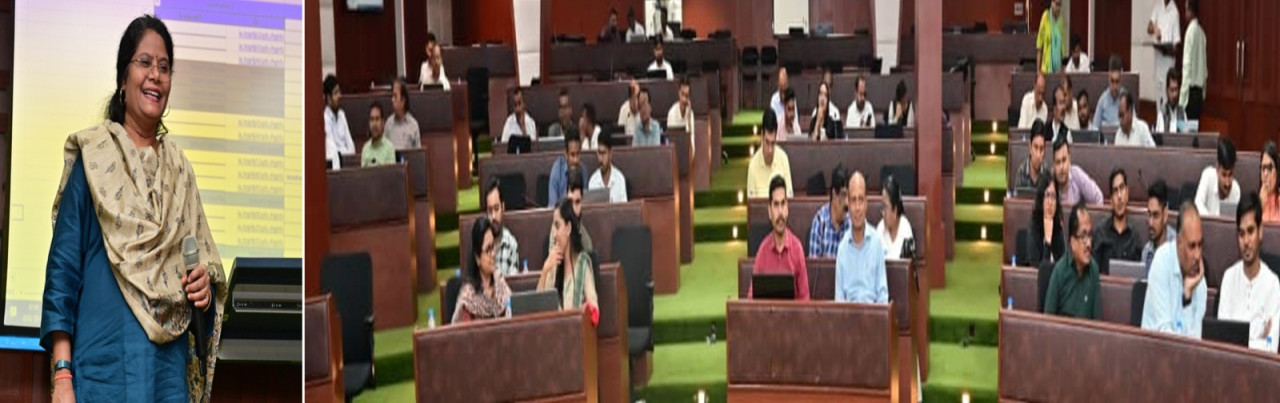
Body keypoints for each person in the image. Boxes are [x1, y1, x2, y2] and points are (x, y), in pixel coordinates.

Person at [43, 15, 224, 402]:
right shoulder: (93, 159)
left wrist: (204, 291)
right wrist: (62, 374)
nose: (155, 75)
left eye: (164, 67)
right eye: (144, 62)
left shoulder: (180, 171)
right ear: (123, 79)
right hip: (102, 373)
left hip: (166, 379)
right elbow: (62, 272)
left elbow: (203, 282)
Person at [1219, 193, 1280, 351]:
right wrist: (1258, 340)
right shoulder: (1229, 278)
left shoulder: (1273, 285)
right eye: (1241, 234)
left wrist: (1239, 341)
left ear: (1260, 232)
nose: (1246, 241)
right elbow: (1222, 342)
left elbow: (1271, 347)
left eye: (1251, 231)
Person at [1142, 202, 1207, 339]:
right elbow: (1166, 339)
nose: (1197, 255)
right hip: (1152, 350)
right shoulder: (1161, 261)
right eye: (1192, 246)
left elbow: (1196, 342)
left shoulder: (1200, 283)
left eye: (1200, 245)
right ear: (1179, 243)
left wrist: (1187, 296)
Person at [751, 176, 810, 300]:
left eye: (783, 204)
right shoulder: (763, 251)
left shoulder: (797, 249)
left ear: (787, 208)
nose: (780, 212)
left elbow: (805, 299)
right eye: (776, 205)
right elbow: (752, 299)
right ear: (769, 211)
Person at [835, 171, 888, 303]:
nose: (857, 208)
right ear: (848, 203)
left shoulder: (876, 243)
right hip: (848, 314)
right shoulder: (842, 248)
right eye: (853, 200)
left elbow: (883, 296)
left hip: (873, 313)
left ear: (866, 203)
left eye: (861, 200)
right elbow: (839, 298)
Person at [538, 199, 599, 313]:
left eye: (557, 226)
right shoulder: (552, 264)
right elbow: (538, 309)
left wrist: (585, 310)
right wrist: (545, 270)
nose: (554, 234)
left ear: (568, 228)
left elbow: (594, 308)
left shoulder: (582, 264)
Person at [1045, 204, 1102, 319]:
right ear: (1072, 242)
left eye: (1090, 235)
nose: (1089, 244)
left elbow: (1097, 322)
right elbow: (1048, 322)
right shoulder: (1059, 272)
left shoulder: (1094, 270)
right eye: (1083, 236)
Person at [453, 217, 513, 323]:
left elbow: (512, 315)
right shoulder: (468, 297)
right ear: (478, 258)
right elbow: (464, 331)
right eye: (488, 249)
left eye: (493, 247)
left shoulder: (500, 283)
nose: (493, 254)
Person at [1092, 168, 1144, 268]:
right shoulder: (1100, 233)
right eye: (1115, 191)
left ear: (1127, 193)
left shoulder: (1135, 237)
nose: (1119, 196)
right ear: (1111, 200)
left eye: (1122, 188)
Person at [746, 110, 792, 198]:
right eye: (767, 142)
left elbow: (789, 197)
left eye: (773, 143)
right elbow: (752, 203)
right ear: (761, 136)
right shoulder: (753, 165)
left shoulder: (783, 159)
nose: (770, 150)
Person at [547, 168, 594, 254]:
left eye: (577, 202)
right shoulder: (556, 229)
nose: (574, 208)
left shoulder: (586, 244)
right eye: (571, 201)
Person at [809, 165, 851, 258]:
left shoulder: (851, 223)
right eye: (844, 195)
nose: (847, 202)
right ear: (834, 194)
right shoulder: (819, 222)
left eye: (849, 196)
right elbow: (815, 265)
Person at [1194, 138, 1240, 216]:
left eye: (1230, 175)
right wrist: (1213, 221)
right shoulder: (1208, 176)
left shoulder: (1236, 191)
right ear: (1217, 168)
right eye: (1224, 175)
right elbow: (1197, 205)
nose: (1227, 183)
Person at [484, 178, 522, 276]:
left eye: (496, 209)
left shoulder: (511, 244)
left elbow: (513, 282)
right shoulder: (481, 243)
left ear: (503, 207)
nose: (493, 216)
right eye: (490, 211)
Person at [1052, 136, 1104, 206]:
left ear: (1069, 160)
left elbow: (1098, 197)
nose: (1062, 167)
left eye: (1064, 160)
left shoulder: (1076, 175)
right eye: (1058, 162)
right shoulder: (1049, 182)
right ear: (1054, 165)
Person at [1148, 0, 1181, 102]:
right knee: (1158, 93)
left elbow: (1176, 45)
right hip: (1158, 61)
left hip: (1168, 62)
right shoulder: (1158, 6)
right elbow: (1149, 28)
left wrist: (1166, 50)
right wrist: (1154, 29)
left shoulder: (1175, 12)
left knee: (1167, 95)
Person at [1029, 178, 1066, 267]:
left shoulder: (1058, 227)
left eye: (1053, 197)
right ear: (1041, 199)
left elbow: (1064, 266)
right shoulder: (1034, 228)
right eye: (1047, 195)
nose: (1050, 202)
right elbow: (1039, 270)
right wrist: (1048, 241)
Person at [877, 175, 915, 259]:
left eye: (885, 207)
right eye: (882, 207)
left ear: (895, 210)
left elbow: (909, 266)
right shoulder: (880, 229)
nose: (883, 213)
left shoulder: (906, 230)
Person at [1143, 180, 1177, 273]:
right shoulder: (1146, 252)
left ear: (1165, 215)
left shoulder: (1177, 249)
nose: (1150, 223)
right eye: (1149, 215)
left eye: (1155, 216)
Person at [1180, 0, 1206, 118]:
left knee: (1186, 128)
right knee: (1195, 127)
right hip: (1199, 92)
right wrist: (1203, 92)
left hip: (1190, 93)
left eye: (1186, 10)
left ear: (1191, 11)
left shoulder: (1190, 32)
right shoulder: (1201, 32)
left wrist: (1182, 99)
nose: (1185, 13)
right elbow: (1204, 67)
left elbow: (1187, 65)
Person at [324, 74, 355, 167]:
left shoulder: (342, 115)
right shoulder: (325, 118)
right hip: (334, 166)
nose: (339, 96)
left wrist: (342, 152)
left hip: (348, 163)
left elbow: (352, 147)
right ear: (328, 98)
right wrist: (345, 151)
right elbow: (332, 153)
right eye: (336, 93)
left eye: (339, 92)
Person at [547, 133, 586, 207]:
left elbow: (585, 202)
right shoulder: (557, 170)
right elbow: (552, 205)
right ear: (566, 154)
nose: (576, 160)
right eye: (572, 155)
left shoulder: (583, 171)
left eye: (578, 154)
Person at [588, 132, 628, 203]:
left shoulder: (620, 179)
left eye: (603, 153)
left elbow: (624, 208)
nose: (600, 159)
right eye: (599, 153)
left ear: (610, 153)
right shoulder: (593, 181)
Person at [385, 78, 422, 149]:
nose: (392, 100)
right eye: (392, 96)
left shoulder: (413, 125)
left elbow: (418, 153)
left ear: (403, 100)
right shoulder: (388, 124)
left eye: (395, 96)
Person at [1015, 121, 1052, 192]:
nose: (1038, 155)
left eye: (1041, 149)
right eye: (1035, 147)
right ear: (1030, 147)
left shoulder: (1048, 173)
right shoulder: (1021, 172)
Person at [1093, 56, 1125, 129]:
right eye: (1112, 81)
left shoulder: (1127, 99)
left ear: (1121, 80)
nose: (1114, 87)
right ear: (1108, 79)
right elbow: (1095, 129)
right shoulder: (1102, 100)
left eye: (1117, 81)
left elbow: (1134, 127)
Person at [1036, 0, 1067, 74]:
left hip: (1058, 68)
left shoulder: (1061, 19)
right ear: (1052, 3)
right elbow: (1039, 46)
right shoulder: (1046, 17)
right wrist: (1038, 70)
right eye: (1056, 4)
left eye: (1060, 5)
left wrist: (1062, 68)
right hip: (1046, 67)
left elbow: (1062, 47)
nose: (1058, 8)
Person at [360, 103, 396, 167]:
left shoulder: (389, 148)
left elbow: (391, 172)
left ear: (382, 123)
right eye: (372, 119)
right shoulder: (365, 149)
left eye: (377, 119)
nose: (374, 124)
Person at [666, 78, 695, 152]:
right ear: (678, 93)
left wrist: (689, 120)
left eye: (687, 95)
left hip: (687, 152)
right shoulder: (671, 113)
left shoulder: (690, 113)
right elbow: (671, 143)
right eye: (682, 94)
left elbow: (692, 145)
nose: (684, 99)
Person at [1154, 68, 1187, 133]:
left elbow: (1187, 136)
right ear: (1167, 90)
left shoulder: (1182, 113)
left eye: (1176, 90)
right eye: (1172, 90)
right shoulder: (1162, 114)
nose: (1174, 94)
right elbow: (1160, 137)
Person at [1262, 141, 1280, 223]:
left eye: (1269, 168)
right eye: (1263, 168)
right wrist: (1260, 205)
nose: (1265, 174)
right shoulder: (1254, 202)